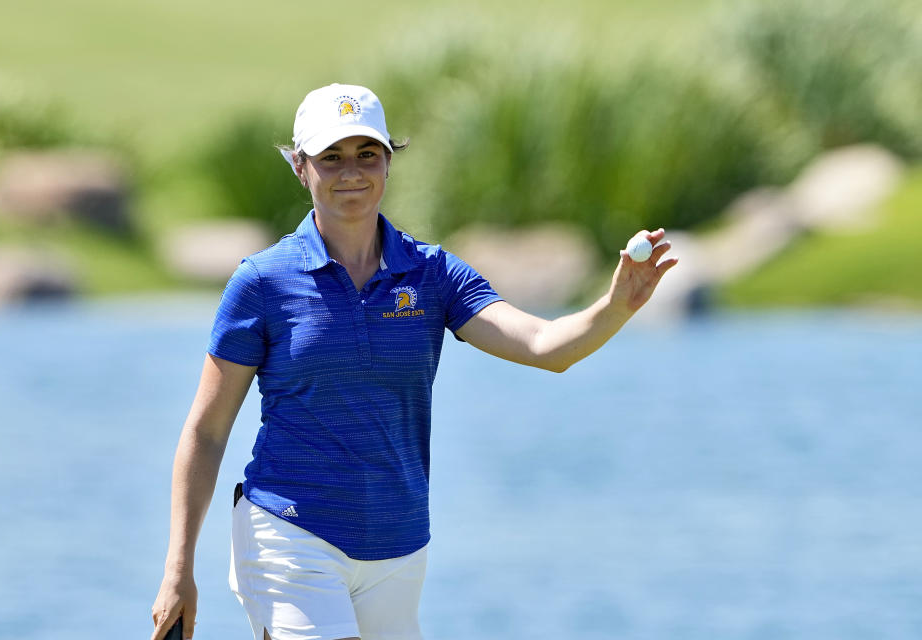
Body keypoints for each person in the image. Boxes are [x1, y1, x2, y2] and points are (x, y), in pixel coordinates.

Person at [150, 83, 677, 640]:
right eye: (331, 157)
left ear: (388, 163)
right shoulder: (261, 282)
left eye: (366, 154)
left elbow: (546, 347)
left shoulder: (432, 274)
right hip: (288, 533)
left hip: (398, 548)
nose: (351, 171)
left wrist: (617, 306)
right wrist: (177, 569)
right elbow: (206, 432)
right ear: (301, 168)